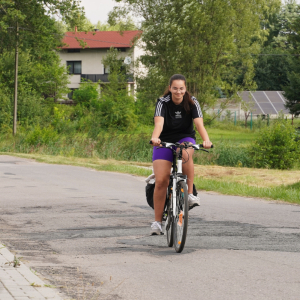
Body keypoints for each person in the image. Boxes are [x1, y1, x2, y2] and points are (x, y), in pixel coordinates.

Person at [150, 74, 212, 235]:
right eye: (175, 88)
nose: (178, 92)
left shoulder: (192, 101)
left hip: (185, 137)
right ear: (170, 88)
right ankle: (157, 222)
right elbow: (159, 123)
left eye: (181, 88)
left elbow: (199, 124)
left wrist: (206, 140)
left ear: (185, 89)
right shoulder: (162, 102)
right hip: (163, 140)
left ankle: (190, 194)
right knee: (161, 180)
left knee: (185, 154)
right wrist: (155, 138)